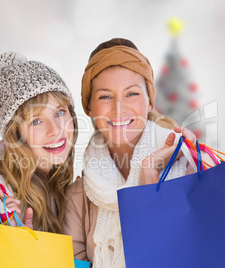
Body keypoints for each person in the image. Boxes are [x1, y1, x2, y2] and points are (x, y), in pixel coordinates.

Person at [63, 38, 215, 267]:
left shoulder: (190, 167)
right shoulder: (79, 196)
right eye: (105, 96)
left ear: (150, 101)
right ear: (89, 107)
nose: (119, 108)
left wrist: (150, 175)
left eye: (131, 94)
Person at [0, 51, 78, 233]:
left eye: (59, 112)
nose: (56, 129)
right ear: (16, 135)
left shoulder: (59, 184)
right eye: (36, 121)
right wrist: (11, 247)